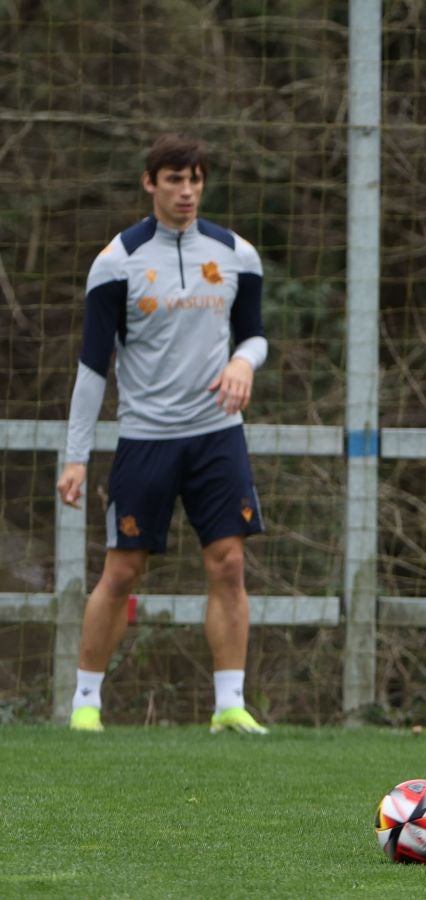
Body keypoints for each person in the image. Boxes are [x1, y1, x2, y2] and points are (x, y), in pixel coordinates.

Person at [57, 133, 270, 735]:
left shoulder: (236, 254)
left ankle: (230, 704)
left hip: (216, 436)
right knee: (122, 570)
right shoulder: (116, 262)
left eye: (195, 179)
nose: (186, 190)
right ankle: (85, 704)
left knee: (228, 563)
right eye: (174, 179)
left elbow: (254, 334)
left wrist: (242, 362)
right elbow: (92, 366)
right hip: (145, 439)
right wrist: (76, 457)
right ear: (150, 183)